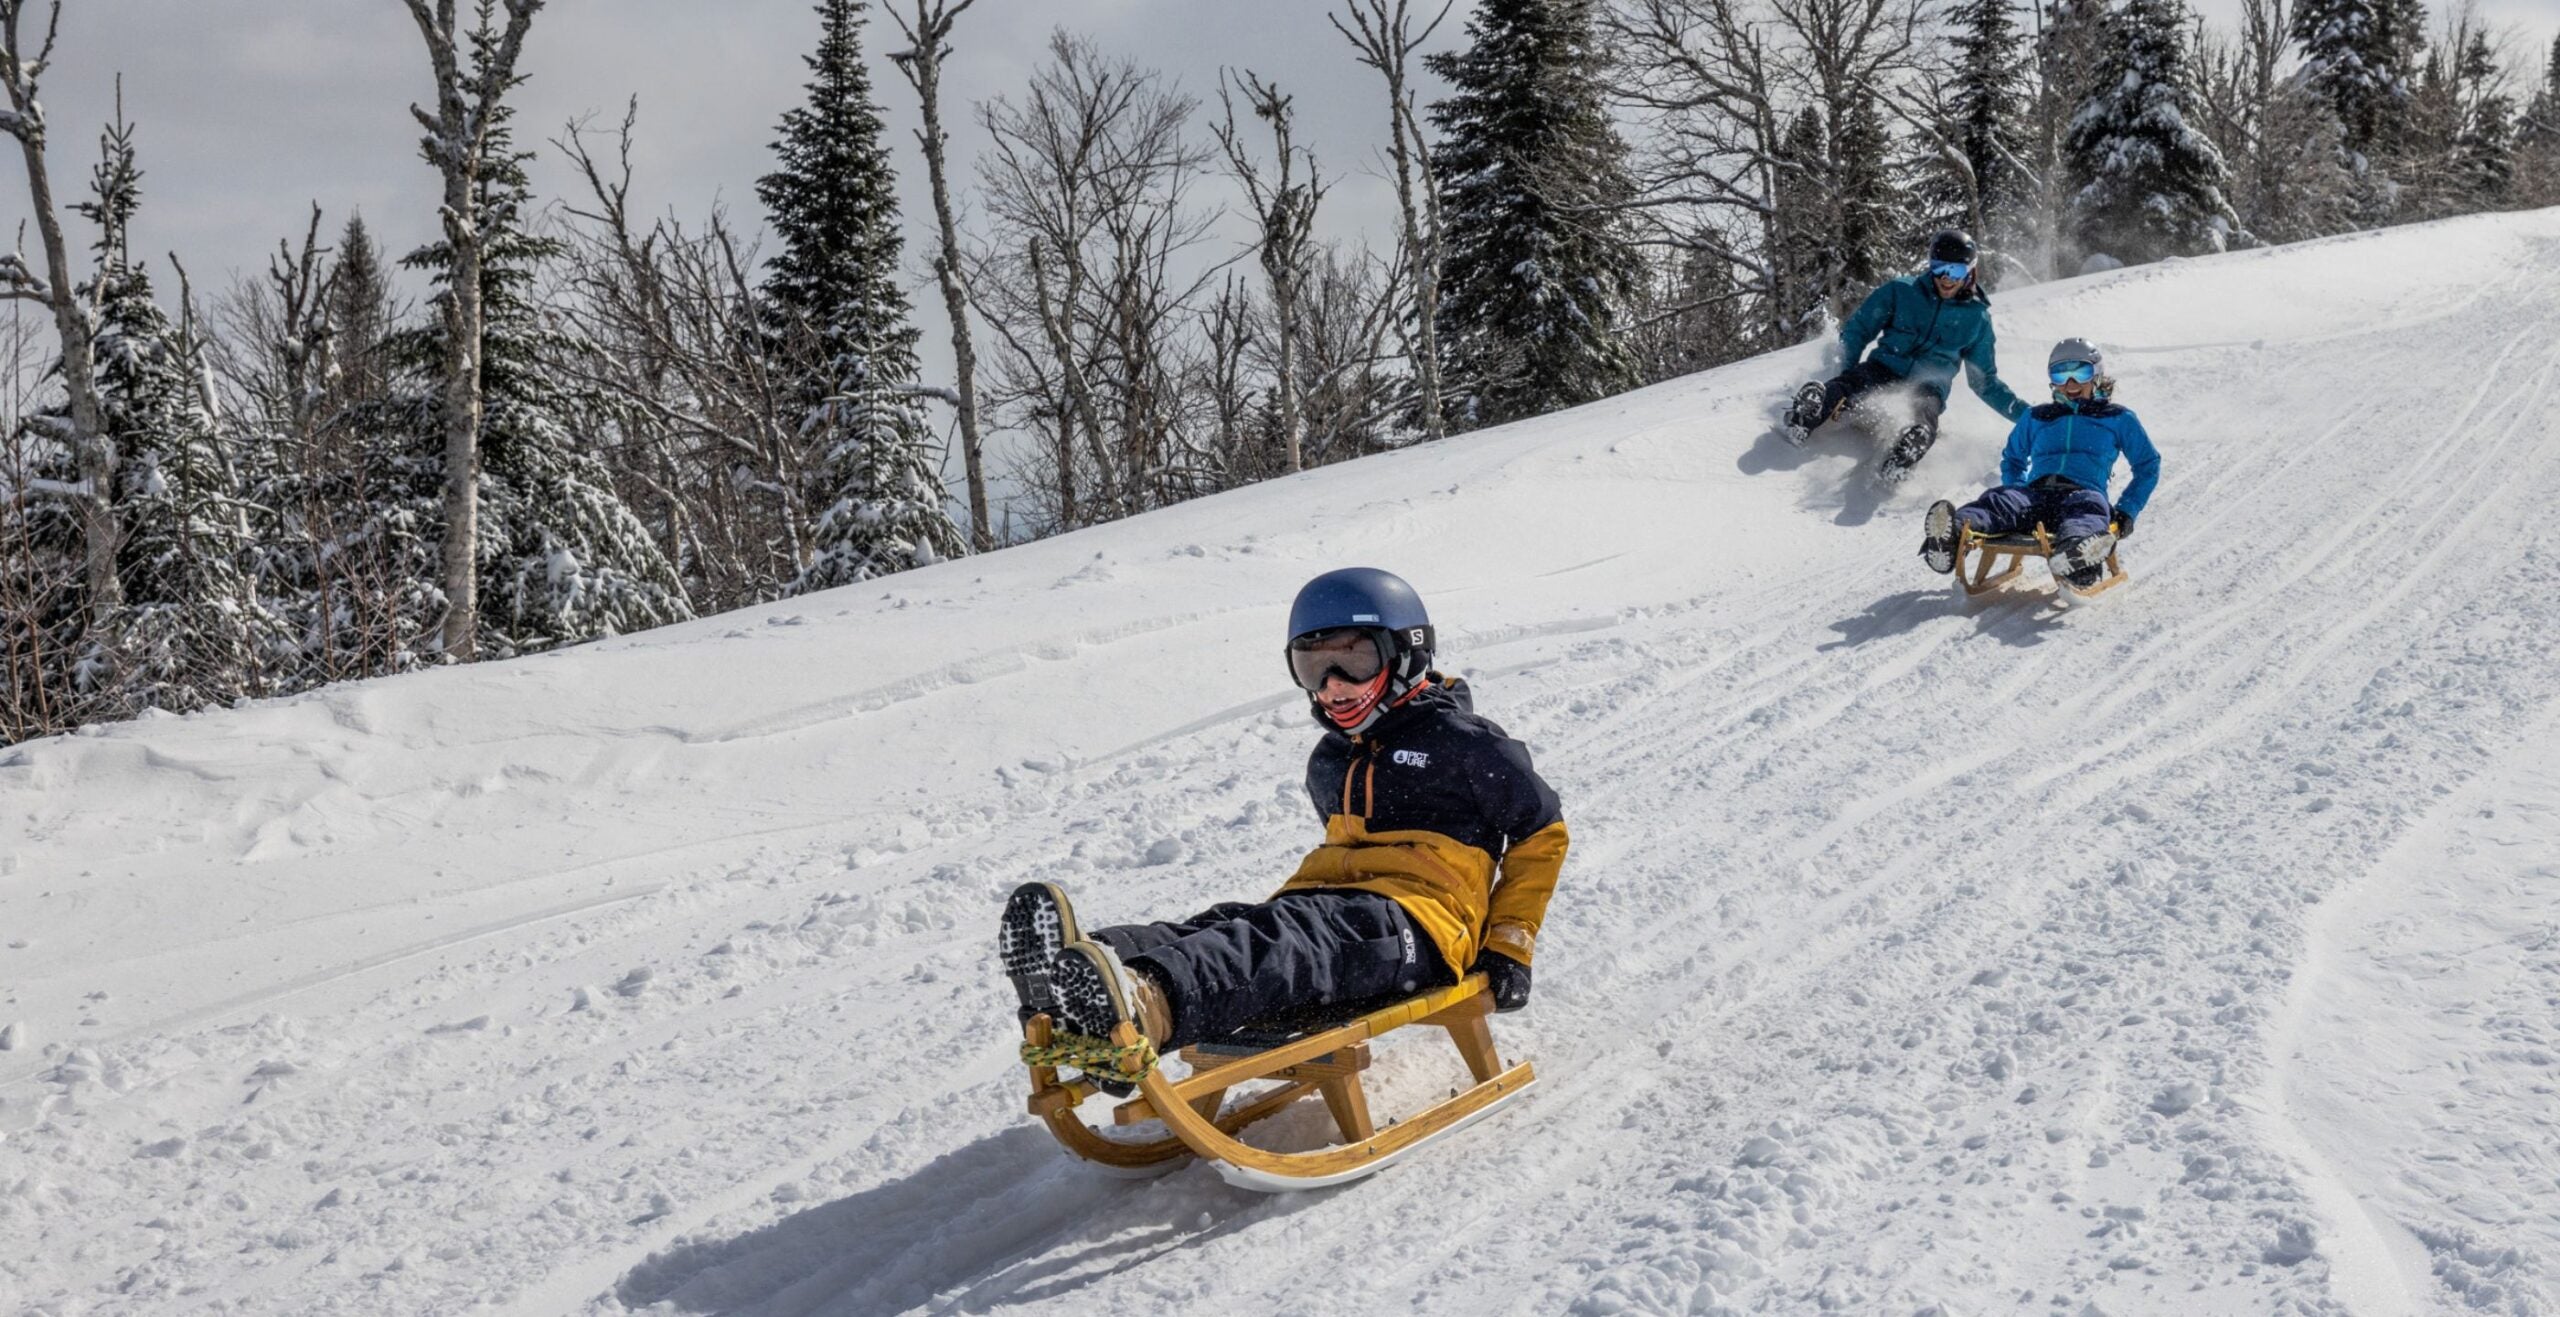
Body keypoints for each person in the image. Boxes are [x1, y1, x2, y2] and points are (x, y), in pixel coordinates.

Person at [999, 567, 1568, 1082]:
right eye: (1315, 668)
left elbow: (1541, 836)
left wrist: (1509, 946)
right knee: (1229, 925)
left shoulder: (1467, 745)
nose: (1334, 686)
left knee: (1285, 942)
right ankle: (1088, 970)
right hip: (1330, 904)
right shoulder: (1331, 758)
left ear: (1406, 652)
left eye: (1354, 661)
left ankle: (1142, 1004)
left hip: (1421, 928)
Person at [1782, 230, 2030, 483]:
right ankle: (1808, 412)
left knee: (1924, 414)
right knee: (1849, 384)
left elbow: (1985, 382)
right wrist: (1845, 370)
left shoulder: (1977, 319)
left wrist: (2029, 417)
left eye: (1955, 271)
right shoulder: (1900, 292)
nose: (1946, 278)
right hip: (1883, 367)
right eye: (1939, 268)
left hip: (1928, 387)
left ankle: (1904, 454)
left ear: (1970, 271)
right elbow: (1858, 331)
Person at [1919, 336, 2161, 590]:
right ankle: (1951, 536)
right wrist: (2016, 488)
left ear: (2096, 373)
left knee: (2087, 515)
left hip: (2083, 493)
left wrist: (2126, 512)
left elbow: (2148, 465)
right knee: (1999, 500)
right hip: (2035, 494)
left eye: (2080, 372)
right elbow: (2013, 459)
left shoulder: (2118, 418)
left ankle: (2076, 556)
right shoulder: (2037, 417)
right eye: (2060, 375)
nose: (2070, 384)